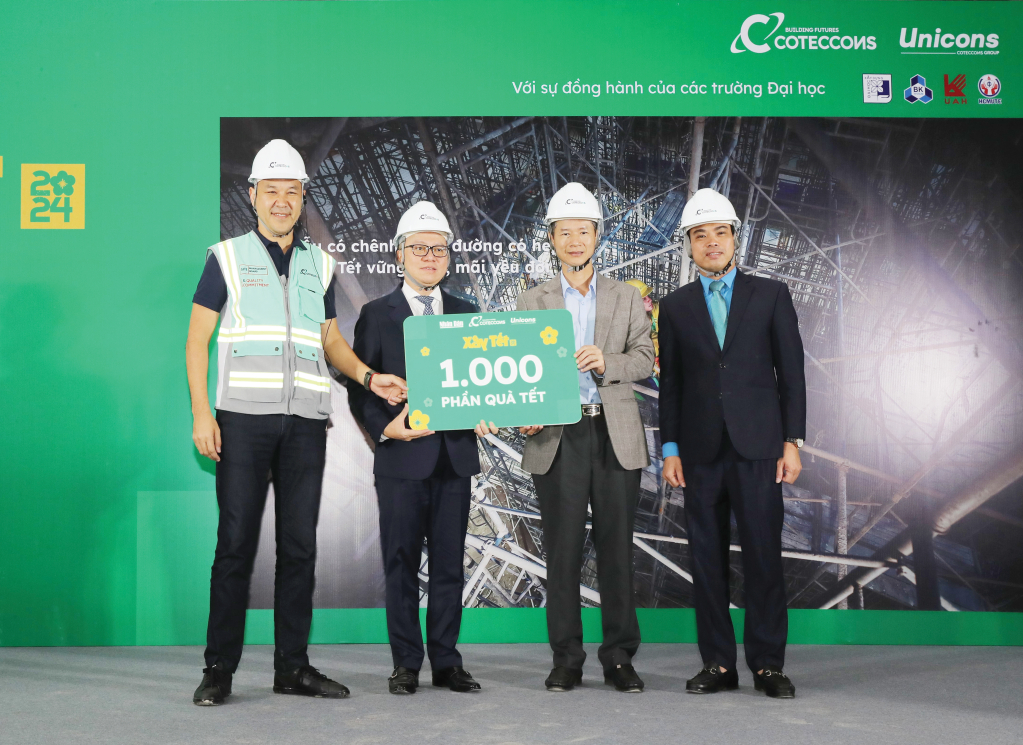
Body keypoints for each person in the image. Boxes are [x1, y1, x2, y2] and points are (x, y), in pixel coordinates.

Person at [186, 139, 407, 705]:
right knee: (234, 546)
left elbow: (330, 340)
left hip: (306, 424)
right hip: (242, 422)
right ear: (253, 195)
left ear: (303, 198)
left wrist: (368, 377)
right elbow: (197, 340)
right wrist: (202, 414)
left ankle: (292, 667)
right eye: (272, 191)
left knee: (299, 549)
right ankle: (218, 669)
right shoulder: (226, 258)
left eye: (291, 191)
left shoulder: (319, 264)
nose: (282, 201)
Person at [658, 188, 806, 699]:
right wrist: (670, 448)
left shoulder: (771, 295)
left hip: (759, 448)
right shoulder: (674, 307)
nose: (711, 242)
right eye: (700, 235)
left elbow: (792, 374)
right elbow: (672, 384)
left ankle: (768, 665)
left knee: (764, 556)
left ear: (734, 238)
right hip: (699, 452)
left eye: (720, 232)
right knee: (706, 559)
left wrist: (792, 440)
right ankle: (718, 663)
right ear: (689, 245)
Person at [348, 201, 496, 695]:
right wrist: (386, 429)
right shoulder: (376, 315)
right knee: (402, 564)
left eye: (439, 249)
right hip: (401, 461)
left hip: (454, 459)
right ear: (399, 255)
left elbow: (480, 382)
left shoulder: (468, 314)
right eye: (420, 248)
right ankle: (406, 663)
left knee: (451, 565)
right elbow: (359, 389)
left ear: (449, 257)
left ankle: (447, 662)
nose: (430, 257)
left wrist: (484, 409)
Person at [516, 183, 654, 693]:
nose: (575, 240)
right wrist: (523, 411)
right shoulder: (531, 299)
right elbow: (516, 369)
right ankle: (566, 659)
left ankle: (619, 658)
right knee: (563, 551)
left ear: (597, 236)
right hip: (558, 435)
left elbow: (645, 359)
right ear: (552, 239)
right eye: (565, 232)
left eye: (583, 231)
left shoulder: (626, 296)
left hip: (614, 432)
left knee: (616, 550)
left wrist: (606, 362)